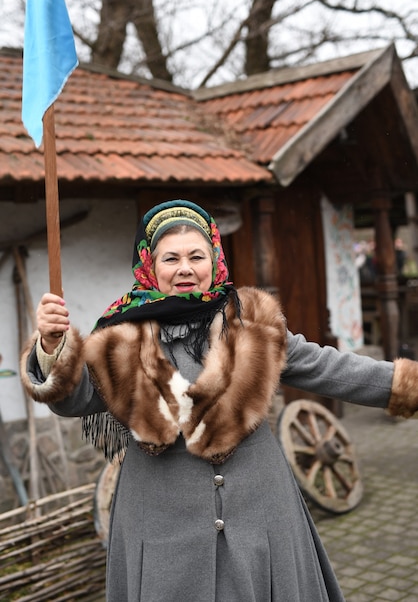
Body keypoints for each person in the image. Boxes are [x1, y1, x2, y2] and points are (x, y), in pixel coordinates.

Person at [21, 199, 418, 602]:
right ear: (149, 266)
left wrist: (406, 384)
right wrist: (53, 347)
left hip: (261, 511)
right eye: (170, 258)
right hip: (159, 522)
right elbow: (73, 400)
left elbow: (327, 368)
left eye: (197, 255)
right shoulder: (117, 339)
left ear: (215, 260)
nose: (185, 269)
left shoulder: (253, 324)